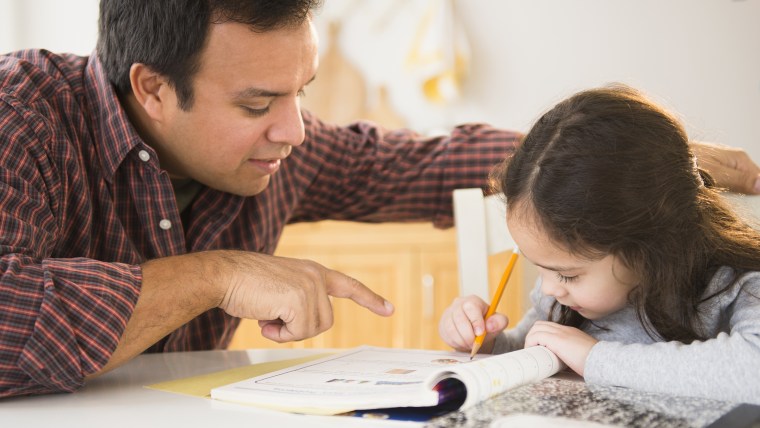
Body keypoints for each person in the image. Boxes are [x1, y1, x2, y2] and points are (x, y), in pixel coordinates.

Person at [0, 1, 756, 398]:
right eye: (259, 102)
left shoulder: (280, 150)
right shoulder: (20, 117)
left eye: (302, 93)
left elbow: (421, 161)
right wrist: (215, 274)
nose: (295, 130)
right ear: (153, 89)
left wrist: (625, 161)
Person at [438, 85, 760, 404]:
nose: (548, 289)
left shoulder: (733, 285)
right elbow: (534, 352)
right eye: (539, 267)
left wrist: (594, 358)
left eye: (567, 275)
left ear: (649, 244)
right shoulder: (563, 299)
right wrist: (489, 341)